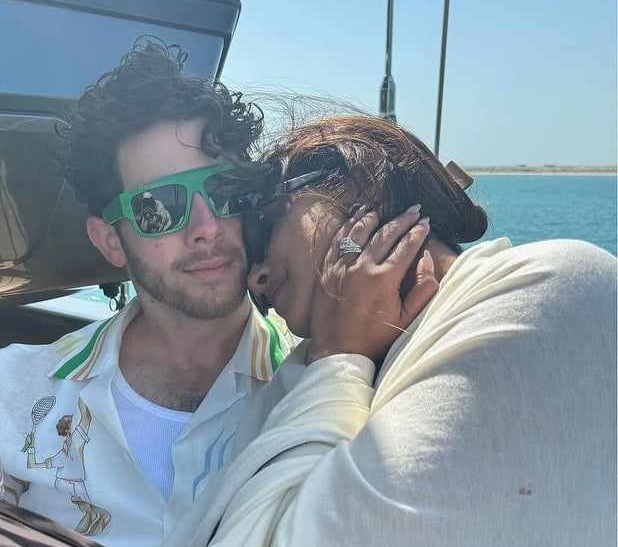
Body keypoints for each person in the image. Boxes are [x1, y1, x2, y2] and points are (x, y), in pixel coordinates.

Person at [0, 43, 431, 546]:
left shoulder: (326, 385)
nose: (205, 227)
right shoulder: (17, 391)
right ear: (110, 241)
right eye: (158, 207)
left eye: (222, 189)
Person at [165, 114, 617, 546]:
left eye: (264, 228)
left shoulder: (549, 284)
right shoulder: (301, 373)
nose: (255, 278)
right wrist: (338, 356)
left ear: (362, 182)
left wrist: (338, 359)